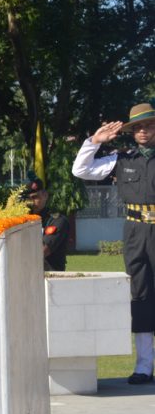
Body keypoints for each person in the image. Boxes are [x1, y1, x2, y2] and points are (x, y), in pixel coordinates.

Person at [73, 101, 155, 385]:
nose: (144, 131)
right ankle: (144, 366)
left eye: (149, 125)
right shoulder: (122, 159)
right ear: (132, 132)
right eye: (139, 127)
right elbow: (80, 170)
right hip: (135, 231)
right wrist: (94, 141)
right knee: (141, 296)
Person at [20, 174, 70, 272]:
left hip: (50, 276)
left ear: (45, 195)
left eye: (35, 197)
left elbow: (42, 251)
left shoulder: (57, 220)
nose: (31, 203)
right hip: (25, 275)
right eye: (27, 199)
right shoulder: (19, 220)